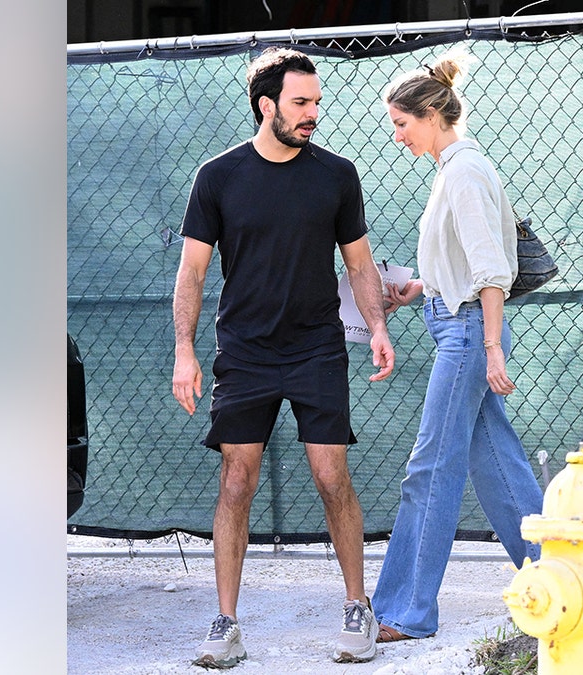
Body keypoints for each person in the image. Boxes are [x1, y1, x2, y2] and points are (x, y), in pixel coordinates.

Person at [171, 47, 395, 667]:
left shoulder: (336, 175)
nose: (313, 114)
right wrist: (184, 351)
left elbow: (359, 262)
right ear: (266, 105)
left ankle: (357, 608)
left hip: (316, 348)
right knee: (236, 481)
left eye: (317, 102)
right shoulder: (217, 176)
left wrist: (377, 325)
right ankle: (225, 623)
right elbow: (192, 272)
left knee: (331, 477)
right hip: (243, 351)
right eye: (301, 103)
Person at [370, 50, 544, 643]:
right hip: (458, 320)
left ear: (431, 115)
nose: (397, 136)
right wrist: (420, 286)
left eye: (401, 124)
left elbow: (492, 271)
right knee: (497, 463)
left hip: (469, 331)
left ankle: (406, 611)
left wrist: (492, 347)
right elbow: (467, 260)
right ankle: (557, 580)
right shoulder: (455, 168)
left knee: (430, 468)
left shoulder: (464, 172)